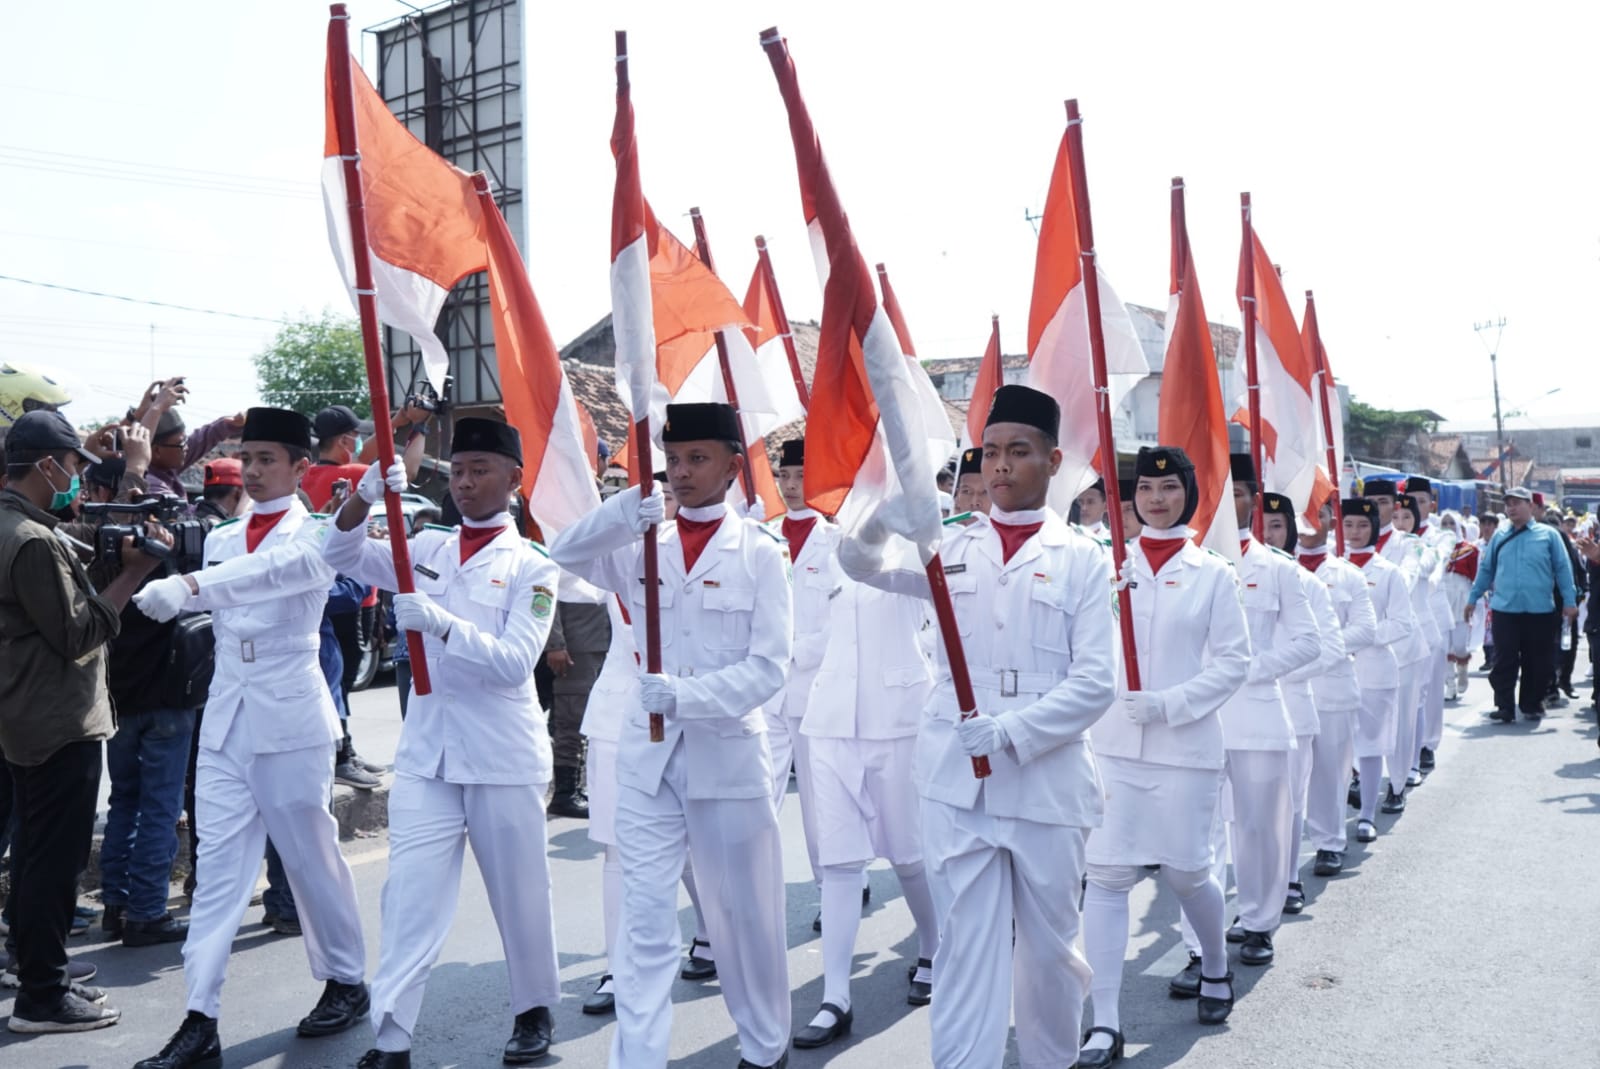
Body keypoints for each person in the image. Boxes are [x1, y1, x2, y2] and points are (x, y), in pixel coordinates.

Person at [843, 385, 1116, 1069]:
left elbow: (1095, 683)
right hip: (955, 782)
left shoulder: (1083, 557)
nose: (999, 466)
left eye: (1017, 452)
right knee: (965, 947)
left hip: (1045, 782)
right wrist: (884, 521)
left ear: (1053, 461)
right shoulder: (948, 544)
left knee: (1051, 952)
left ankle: (1051, 1059)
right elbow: (857, 565)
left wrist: (1012, 731)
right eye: (990, 453)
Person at [550, 402, 793, 1069]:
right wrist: (624, 511)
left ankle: (765, 1046)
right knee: (644, 920)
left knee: (742, 918)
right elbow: (562, 550)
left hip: (727, 757)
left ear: (733, 466)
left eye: (697, 459)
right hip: (648, 762)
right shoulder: (640, 543)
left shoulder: (761, 555)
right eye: (673, 460)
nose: (681, 473)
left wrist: (687, 695)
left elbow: (770, 666)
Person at [130, 407, 369, 1069]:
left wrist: (188, 586)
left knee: (310, 855)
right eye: (250, 456)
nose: (257, 469)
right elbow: (220, 596)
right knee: (217, 873)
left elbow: (279, 575)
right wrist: (178, 575)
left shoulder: (318, 532)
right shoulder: (223, 536)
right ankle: (199, 1017)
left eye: (270, 458)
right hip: (228, 713)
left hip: (291, 712)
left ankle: (346, 977)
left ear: (301, 467)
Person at [323, 418, 562, 1068]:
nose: (464, 480)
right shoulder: (423, 544)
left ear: (513, 480)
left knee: (519, 892)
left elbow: (515, 662)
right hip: (429, 754)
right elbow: (337, 553)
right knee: (409, 896)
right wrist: (368, 486)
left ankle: (533, 1009)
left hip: (501, 756)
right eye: (458, 469)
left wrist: (443, 624)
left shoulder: (533, 567)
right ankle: (392, 1038)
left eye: (480, 469)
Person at [1080, 444, 1251, 1066]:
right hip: (1114, 746)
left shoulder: (1212, 573)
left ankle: (1213, 961)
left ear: (1188, 494)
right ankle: (1103, 1020)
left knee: (1185, 873)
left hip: (1184, 748)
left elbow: (1236, 662)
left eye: (1170, 489)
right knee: (1105, 877)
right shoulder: (1106, 567)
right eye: (1146, 491)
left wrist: (1171, 703)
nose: (1156, 499)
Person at [1, 410, 169, 1033]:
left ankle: (37, 968)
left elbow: (54, 611)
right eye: (73, 464)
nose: (76, 476)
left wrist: (109, 567)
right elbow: (78, 632)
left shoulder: (19, 529)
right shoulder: (33, 541)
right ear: (47, 464)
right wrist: (134, 572)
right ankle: (41, 997)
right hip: (56, 720)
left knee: (35, 855)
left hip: (26, 715)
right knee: (53, 861)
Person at [791, 502, 943, 1050]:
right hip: (830, 716)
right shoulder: (817, 544)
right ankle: (835, 997)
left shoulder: (921, 540)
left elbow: (931, 608)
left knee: (907, 854)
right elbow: (806, 625)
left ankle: (932, 945)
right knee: (838, 863)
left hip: (897, 718)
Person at [1185, 462, 1318, 970]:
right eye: (1217, 491)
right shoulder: (1190, 564)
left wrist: (1253, 669)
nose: (1224, 502)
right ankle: (1200, 944)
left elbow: (1310, 642)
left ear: (1253, 502)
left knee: (1260, 829)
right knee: (1199, 834)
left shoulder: (1280, 568)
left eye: (1236, 492)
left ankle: (1260, 922)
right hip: (1200, 714)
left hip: (1259, 715)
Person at [770, 437, 842, 929]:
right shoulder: (764, 536)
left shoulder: (835, 542)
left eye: (801, 477)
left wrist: (789, 651)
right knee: (758, 797)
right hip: (766, 692)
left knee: (819, 804)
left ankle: (831, 890)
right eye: (785, 477)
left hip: (815, 689)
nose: (792, 487)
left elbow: (838, 620)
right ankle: (759, 893)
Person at [1294, 501, 1377, 878]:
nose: (1311, 523)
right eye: (1303, 515)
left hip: (1333, 687)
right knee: (1290, 779)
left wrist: (1319, 648)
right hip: (1289, 688)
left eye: (1319, 514)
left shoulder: (1349, 575)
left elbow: (1365, 630)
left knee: (1330, 771)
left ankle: (1329, 843)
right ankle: (1286, 860)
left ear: (1331, 522)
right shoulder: (1279, 570)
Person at [1340, 497, 1417, 845]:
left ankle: (1367, 814)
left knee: (1371, 745)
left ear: (1374, 528)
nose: (1355, 532)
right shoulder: (1330, 569)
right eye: (1349, 525)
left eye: (1362, 525)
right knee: (1336, 747)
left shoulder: (1388, 573)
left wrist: (1366, 638)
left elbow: (1403, 623)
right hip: (1335, 670)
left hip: (1375, 669)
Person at [1468, 487, 1578, 722]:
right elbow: (1487, 570)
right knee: (1503, 659)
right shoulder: (1499, 536)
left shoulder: (1548, 535)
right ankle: (1504, 706)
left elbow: (1563, 569)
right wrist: (1472, 597)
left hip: (1539, 610)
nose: (1511, 508)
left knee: (1536, 660)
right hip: (1505, 609)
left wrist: (1569, 601)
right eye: (1508, 504)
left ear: (1531, 506)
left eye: (1517, 503)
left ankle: (1531, 703)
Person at [545, 572, 611, 820]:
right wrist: (556, 644)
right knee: (571, 719)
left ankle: (575, 787)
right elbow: (548, 597)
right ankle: (565, 792)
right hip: (575, 644)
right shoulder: (562, 543)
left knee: (583, 720)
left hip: (597, 641)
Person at [951, 446, 990, 519]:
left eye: (985, 492)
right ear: (956, 496)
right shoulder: (942, 530)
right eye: (967, 491)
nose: (974, 502)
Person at [1075, 478, 1109, 543]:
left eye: (1090, 502)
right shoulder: (1068, 536)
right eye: (1080, 502)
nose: (1084, 508)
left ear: (1105, 506)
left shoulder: (1111, 541)